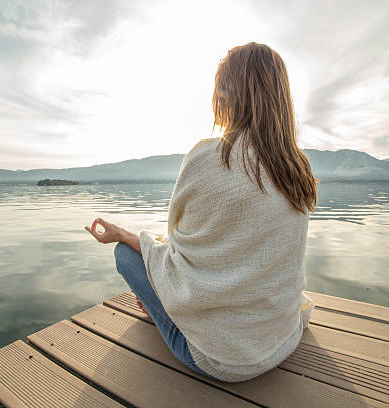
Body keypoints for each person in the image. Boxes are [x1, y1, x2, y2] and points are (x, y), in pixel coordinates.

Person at [85, 42, 317, 383]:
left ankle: (162, 313)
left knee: (125, 255)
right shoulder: (297, 167)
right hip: (282, 338)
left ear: (227, 95)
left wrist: (125, 236)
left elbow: (177, 248)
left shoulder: (209, 158)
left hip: (219, 360)